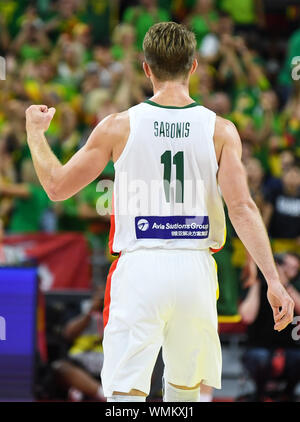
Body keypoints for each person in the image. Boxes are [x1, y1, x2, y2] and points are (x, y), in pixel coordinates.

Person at [25, 22, 294, 403]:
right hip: (195, 270)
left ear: (146, 68)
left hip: (140, 269)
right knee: (186, 398)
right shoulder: (220, 130)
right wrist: (274, 280)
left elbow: (55, 186)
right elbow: (242, 208)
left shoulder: (118, 126)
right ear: (194, 67)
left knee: (125, 397)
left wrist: (35, 133)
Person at [239, 253, 300, 401]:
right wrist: (259, 281)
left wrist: (285, 286)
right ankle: (260, 395)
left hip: (290, 347)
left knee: (297, 358)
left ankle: (288, 394)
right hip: (258, 346)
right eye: (284, 265)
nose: (286, 270)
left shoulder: (296, 285)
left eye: (294, 268)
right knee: (260, 357)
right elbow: (247, 316)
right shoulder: (257, 284)